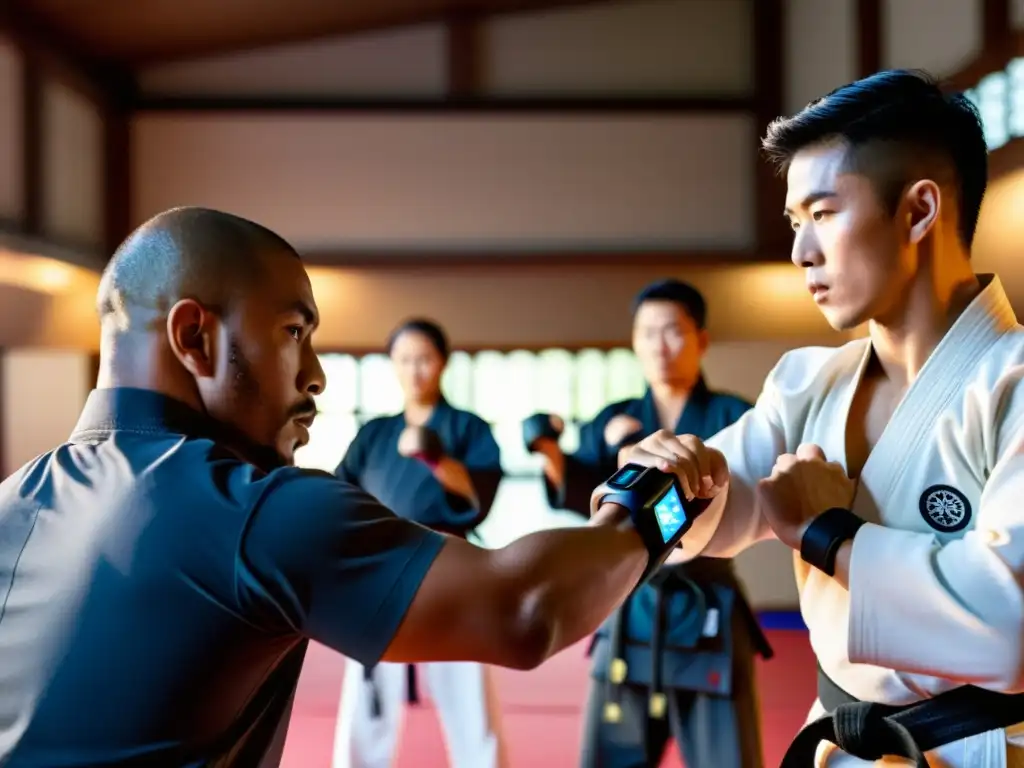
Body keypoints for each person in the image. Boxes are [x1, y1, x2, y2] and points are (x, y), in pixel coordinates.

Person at [0, 206, 668, 768]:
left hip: (413, 574)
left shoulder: (10, 501)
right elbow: (528, 609)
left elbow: (473, 502)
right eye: (294, 332)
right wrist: (668, 490)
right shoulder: (258, 506)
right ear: (195, 338)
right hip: (419, 583)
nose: (315, 375)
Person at [619, 70, 1024, 767]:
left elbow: (1009, 629)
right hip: (837, 743)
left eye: (824, 213)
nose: (801, 253)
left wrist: (828, 533)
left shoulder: (1011, 383)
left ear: (918, 210)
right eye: (794, 223)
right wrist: (668, 480)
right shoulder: (810, 380)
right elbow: (723, 500)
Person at [523, 279, 771, 768]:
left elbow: (757, 499)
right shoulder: (616, 417)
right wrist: (549, 451)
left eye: (673, 331)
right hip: (629, 605)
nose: (659, 346)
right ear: (634, 341)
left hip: (708, 611)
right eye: (647, 332)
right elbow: (581, 494)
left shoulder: (735, 417)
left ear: (701, 339)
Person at [332, 318, 508, 768]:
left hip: (450, 569)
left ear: (442, 362)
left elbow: (479, 497)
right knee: (366, 697)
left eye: (424, 359)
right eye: (405, 360)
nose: (415, 370)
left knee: (467, 695)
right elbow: (341, 492)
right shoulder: (375, 434)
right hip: (381, 570)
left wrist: (436, 459)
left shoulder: (467, 428)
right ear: (392, 364)